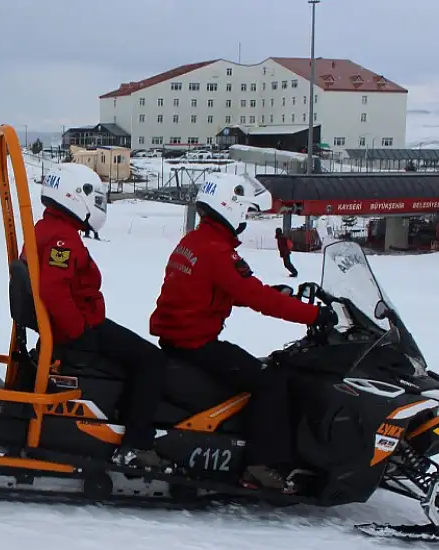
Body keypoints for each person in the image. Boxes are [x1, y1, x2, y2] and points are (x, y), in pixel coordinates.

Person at [149, 172, 337, 494]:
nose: (246, 220)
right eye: (246, 212)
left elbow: (214, 289)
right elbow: (257, 297)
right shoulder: (218, 251)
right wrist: (314, 314)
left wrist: (269, 292)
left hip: (179, 339)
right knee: (270, 381)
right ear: (230, 208)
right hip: (197, 344)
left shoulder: (194, 241)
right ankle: (259, 466)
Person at [34, 164, 171, 471]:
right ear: (74, 196)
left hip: (74, 323)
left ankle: (121, 416)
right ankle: (135, 444)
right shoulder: (62, 239)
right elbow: (54, 290)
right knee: (151, 360)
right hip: (77, 327)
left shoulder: (49, 228)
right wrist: (80, 332)